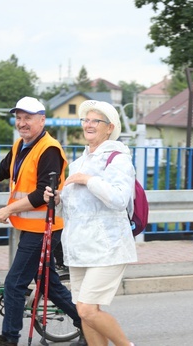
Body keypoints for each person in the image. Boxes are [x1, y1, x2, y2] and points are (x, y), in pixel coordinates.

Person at [0, 96, 85, 346]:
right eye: (18, 118)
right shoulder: (21, 146)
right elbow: (0, 171)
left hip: (44, 229)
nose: (22, 123)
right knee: (48, 284)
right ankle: (87, 323)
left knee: (14, 284)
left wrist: (8, 209)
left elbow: (40, 194)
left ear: (42, 120)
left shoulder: (49, 149)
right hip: (29, 228)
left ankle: (9, 339)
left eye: (28, 118)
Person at [44, 100, 137, 346]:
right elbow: (74, 209)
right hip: (79, 249)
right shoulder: (78, 163)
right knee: (87, 314)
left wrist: (89, 180)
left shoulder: (118, 159)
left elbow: (119, 199)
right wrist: (58, 199)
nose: (88, 125)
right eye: (86, 120)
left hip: (108, 248)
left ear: (110, 128)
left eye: (96, 120)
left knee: (86, 310)